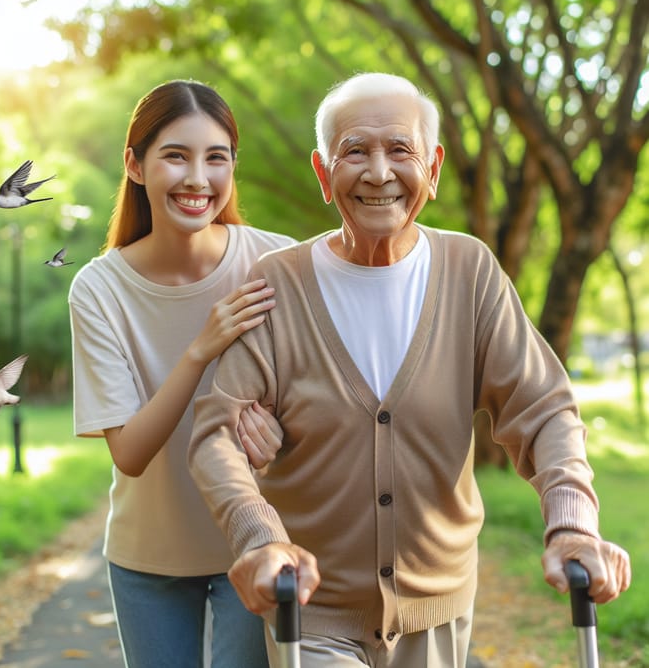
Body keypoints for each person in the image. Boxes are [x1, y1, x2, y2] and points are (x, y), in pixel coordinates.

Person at [188, 72, 631, 668]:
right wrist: (260, 537)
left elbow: (544, 408)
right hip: (312, 610)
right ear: (323, 173)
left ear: (434, 168)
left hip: (440, 608)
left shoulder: (469, 271)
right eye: (354, 152)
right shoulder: (278, 282)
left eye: (400, 150)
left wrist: (572, 523)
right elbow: (216, 434)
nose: (378, 173)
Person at [68, 79, 296, 668]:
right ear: (135, 166)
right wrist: (201, 349)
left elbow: (329, 404)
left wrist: (281, 432)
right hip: (149, 559)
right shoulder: (99, 289)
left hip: (256, 545)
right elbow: (131, 453)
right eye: (176, 155)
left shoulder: (277, 263)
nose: (198, 178)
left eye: (216, 158)